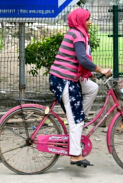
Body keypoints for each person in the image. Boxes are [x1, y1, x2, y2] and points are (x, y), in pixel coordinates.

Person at [49, 8, 112, 167]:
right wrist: (100, 69)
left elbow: (77, 61)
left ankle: (78, 121)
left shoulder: (76, 33)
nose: (90, 22)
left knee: (91, 88)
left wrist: (88, 73)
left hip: (67, 77)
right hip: (64, 80)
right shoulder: (77, 35)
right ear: (80, 20)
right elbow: (82, 59)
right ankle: (75, 154)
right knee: (76, 119)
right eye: (88, 19)